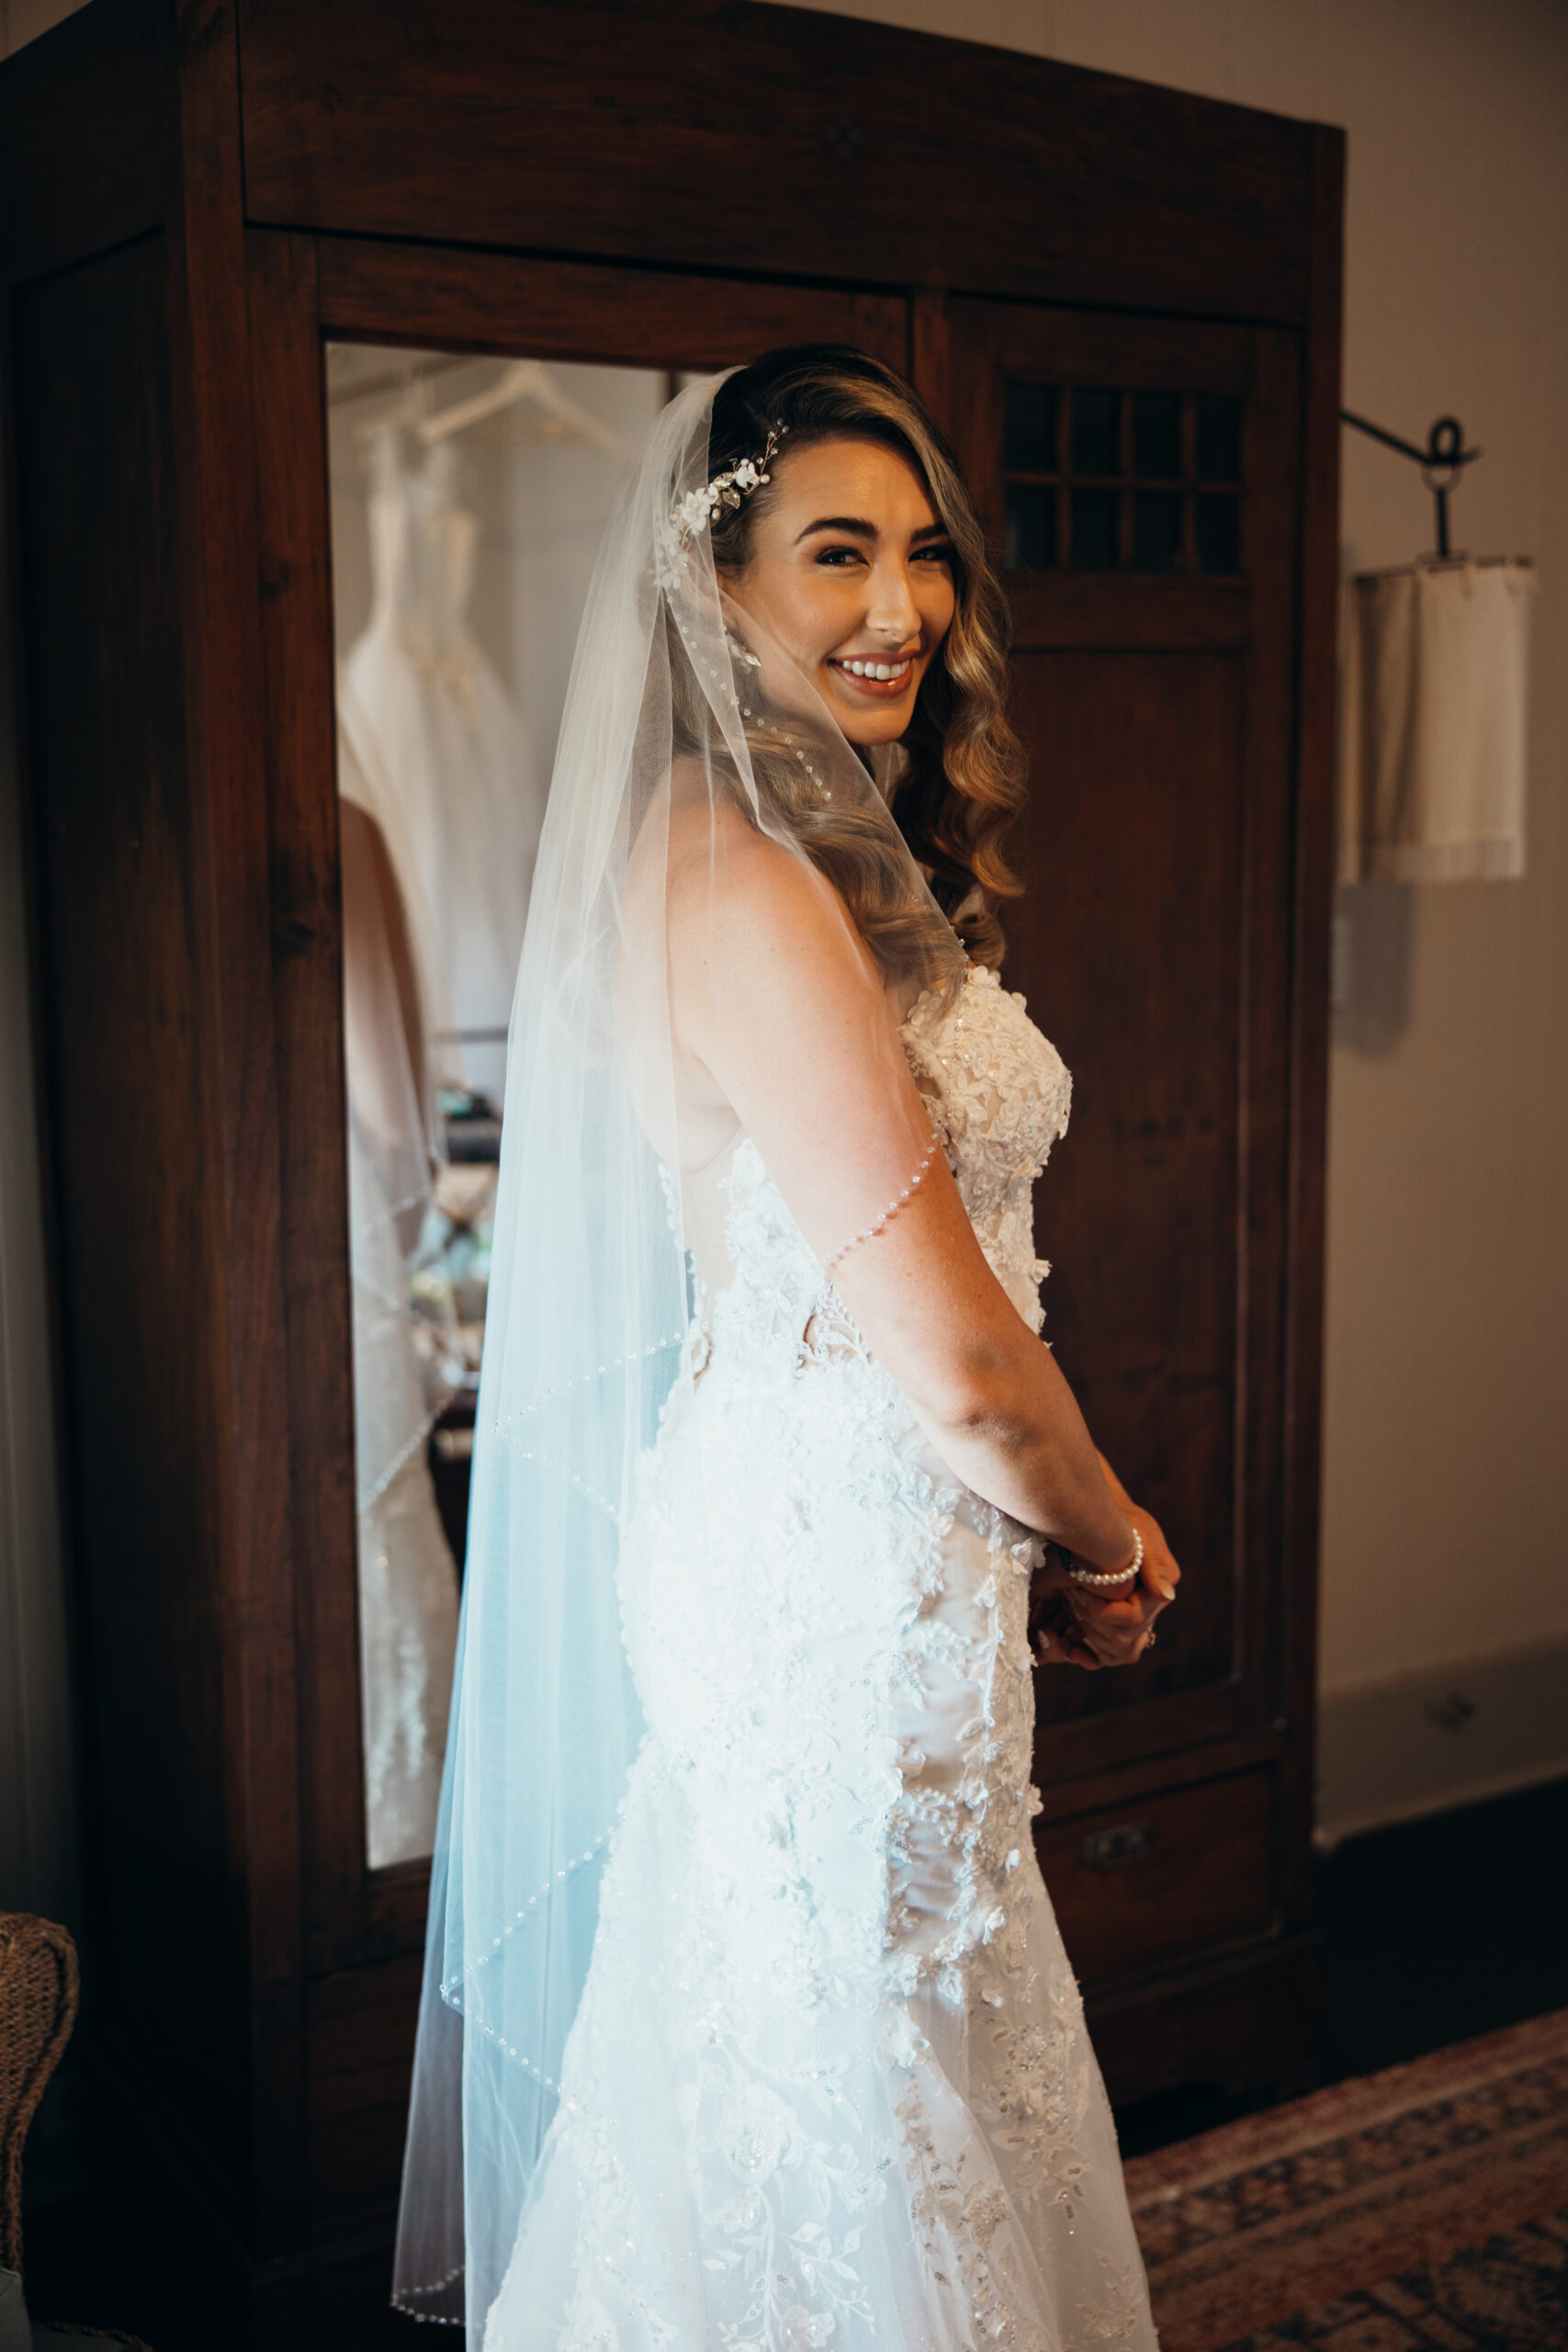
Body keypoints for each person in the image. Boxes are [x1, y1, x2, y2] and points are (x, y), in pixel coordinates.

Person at [393, 348, 1180, 2350]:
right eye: (834, 552)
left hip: (844, 1527)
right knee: (858, 2034)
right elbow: (965, 1362)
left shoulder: (795, 859)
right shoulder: (736, 885)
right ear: (709, 585)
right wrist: (1105, 1539)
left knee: (826, 2011)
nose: (900, 605)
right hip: (845, 1555)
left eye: (923, 555)